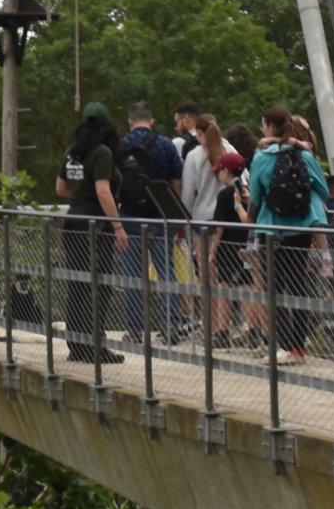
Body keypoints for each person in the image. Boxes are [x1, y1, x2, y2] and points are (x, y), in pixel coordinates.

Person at [242, 107, 329, 365]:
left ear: (269, 126)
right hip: (301, 229)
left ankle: (285, 345)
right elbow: (323, 190)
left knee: (275, 288)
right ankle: (299, 348)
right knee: (298, 285)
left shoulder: (261, 157)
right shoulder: (304, 154)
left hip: (272, 229)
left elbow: (256, 197)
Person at [55, 103, 130, 365]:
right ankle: (95, 347)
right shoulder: (102, 153)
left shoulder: (71, 153)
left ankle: (77, 345)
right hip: (95, 226)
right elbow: (103, 191)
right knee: (98, 286)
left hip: (73, 219)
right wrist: (118, 227)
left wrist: (80, 191)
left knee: (77, 284)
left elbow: (61, 188)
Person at [117, 103, 185, 343]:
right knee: (166, 272)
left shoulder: (122, 145)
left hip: (129, 216)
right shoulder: (165, 144)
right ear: (152, 121)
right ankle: (170, 328)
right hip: (159, 215)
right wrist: (175, 216)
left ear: (130, 122)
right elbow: (177, 183)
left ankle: (135, 331)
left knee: (133, 275)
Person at [177, 109, 236, 346]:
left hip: (202, 222)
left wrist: (184, 220)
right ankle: (224, 329)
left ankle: (210, 328)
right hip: (227, 222)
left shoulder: (194, 156)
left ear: (200, 132)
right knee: (226, 280)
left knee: (207, 279)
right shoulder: (230, 150)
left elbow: (188, 192)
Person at [215, 120, 262, 345]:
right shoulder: (248, 189)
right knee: (248, 288)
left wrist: (211, 251)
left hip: (226, 248)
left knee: (224, 287)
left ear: (226, 170)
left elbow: (218, 227)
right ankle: (254, 331)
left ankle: (222, 332)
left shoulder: (225, 195)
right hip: (246, 245)